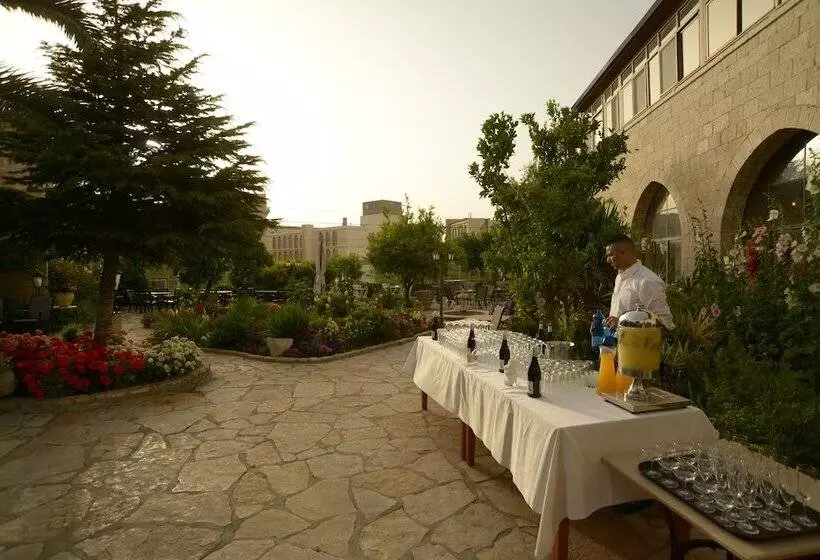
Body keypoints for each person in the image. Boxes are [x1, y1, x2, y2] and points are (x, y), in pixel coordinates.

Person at [604, 234, 675, 330]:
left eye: (610, 255)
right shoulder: (620, 277)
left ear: (623, 253)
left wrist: (623, 323)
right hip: (617, 342)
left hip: (637, 344)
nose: (608, 260)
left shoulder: (648, 281)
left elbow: (665, 323)